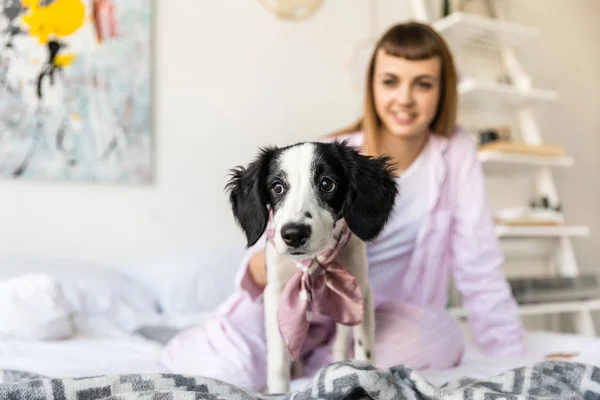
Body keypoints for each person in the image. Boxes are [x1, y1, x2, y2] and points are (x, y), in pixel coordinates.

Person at [161, 21, 526, 392]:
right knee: (225, 372)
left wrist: (513, 358)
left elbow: (480, 266)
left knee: (441, 333)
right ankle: (220, 344)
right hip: (290, 298)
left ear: (443, 90)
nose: (404, 98)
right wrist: (272, 258)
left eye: (423, 83)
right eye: (390, 81)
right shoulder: (328, 153)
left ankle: (324, 367)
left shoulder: (455, 153)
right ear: (371, 85)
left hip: (376, 315)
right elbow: (273, 245)